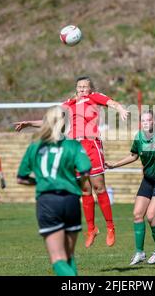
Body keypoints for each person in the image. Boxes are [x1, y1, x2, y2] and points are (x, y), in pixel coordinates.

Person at [14, 76, 129, 248]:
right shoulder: (68, 104)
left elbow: (112, 103)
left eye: (85, 87)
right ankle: (91, 229)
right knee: (85, 190)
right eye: (79, 87)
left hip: (91, 145)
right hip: (75, 148)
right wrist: (29, 123)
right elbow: (50, 121)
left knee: (99, 187)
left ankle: (110, 227)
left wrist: (120, 110)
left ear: (90, 89)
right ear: (76, 89)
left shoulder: (94, 97)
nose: (82, 89)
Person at [17, 106, 92, 276]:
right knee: (69, 255)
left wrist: (40, 181)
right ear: (65, 124)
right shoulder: (73, 145)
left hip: (48, 202)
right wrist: (78, 183)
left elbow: (21, 178)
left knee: (58, 258)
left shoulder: (34, 147)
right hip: (71, 201)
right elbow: (85, 170)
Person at [105, 110, 155, 265]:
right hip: (148, 180)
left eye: (149, 120)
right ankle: (139, 253)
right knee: (138, 214)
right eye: (143, 121)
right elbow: (133, 155)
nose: (146, 123)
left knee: (151, 216)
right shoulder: (138, 137)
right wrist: (114, 165)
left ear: (154, 122)